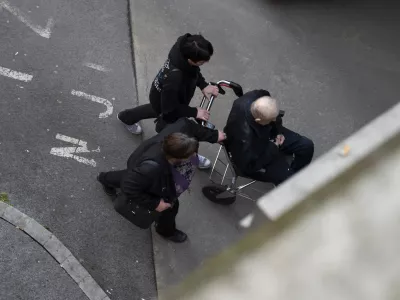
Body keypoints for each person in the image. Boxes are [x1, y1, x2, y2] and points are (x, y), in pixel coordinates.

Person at [97, 118, 226, 243]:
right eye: (189, 155)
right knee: (169, 208)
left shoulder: (183, 130)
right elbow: (129, 187)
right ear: (176, 158)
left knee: (130, 177)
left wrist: (214, 136)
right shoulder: (152, 169)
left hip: (143, 171)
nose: (194, 156)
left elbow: (190, 125)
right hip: (158, 183)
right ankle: (166, 231)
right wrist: (155, 204)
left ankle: (105, 178)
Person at [117, 33, 219, 169]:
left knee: (155, 108)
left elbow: (193, 70)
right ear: (190, 59)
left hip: (162, 96)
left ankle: (126, 117)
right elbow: (170, 110)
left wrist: (203, 84)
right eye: (201, 62)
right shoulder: (175, 77)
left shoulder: (182, 48)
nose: (204, 64)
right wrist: (194, 112)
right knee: (178, 132)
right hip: (168, 102)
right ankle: (189, 156)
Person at [224, 89, 314, 186]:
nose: (275, 119)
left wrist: (278, 132)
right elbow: (249, 166)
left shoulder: (257, 96)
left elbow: (275, 120)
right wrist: (274, 147)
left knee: (306, 145)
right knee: (289, 181)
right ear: (258, 120)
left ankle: (296, 172)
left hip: (268, 134)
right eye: (271, 119)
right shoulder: (243, 139)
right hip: (258, 155)